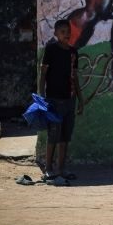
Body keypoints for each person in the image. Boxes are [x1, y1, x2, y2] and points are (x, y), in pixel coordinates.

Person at [38, 19, 85, 183]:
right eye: (63, 32)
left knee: (65, 136)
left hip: (69, 100)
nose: (66, 34)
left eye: (68, 31)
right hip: (53, 100)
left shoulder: (73, 52)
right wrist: (41, 97)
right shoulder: (50, 50)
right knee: (53, 135)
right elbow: (43, 74)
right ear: (56, 34)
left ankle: (61, 168)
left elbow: (75, 77)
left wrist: (80, 99)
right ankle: (48, 169)